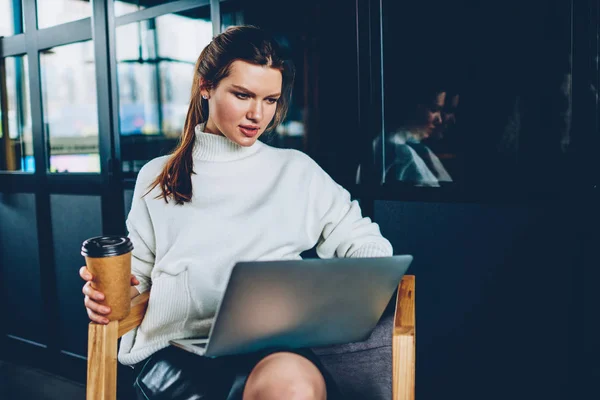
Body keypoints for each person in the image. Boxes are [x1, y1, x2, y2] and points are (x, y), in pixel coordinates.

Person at [80, 26, 393, 400]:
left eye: (270, 99)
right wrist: (105, 296)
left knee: (292, 385)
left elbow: (368, 245)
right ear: (206, 86)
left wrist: (360, 288)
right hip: (181, 352)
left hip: (275, 348)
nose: (256, 114)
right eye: (242, 95)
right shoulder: (158, 176)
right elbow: (138, 280)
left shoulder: (296, 171)